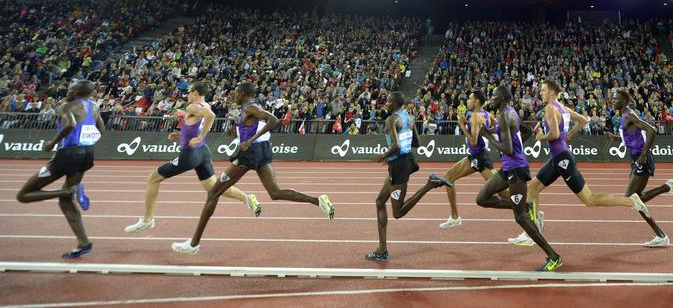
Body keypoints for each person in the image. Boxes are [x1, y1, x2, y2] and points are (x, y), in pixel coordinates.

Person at [172, 82, 334, 254]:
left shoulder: (251, 107)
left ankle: (194, 244)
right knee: (275, 192)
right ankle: (318, 201)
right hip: (263, 150)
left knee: (213, 193)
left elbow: (274, 120)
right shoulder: (250, 107)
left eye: (236, 92)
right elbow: (252, 125)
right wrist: (237, 133)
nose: (234, 95)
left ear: (242, 93)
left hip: (251, 152)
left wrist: (249, 140)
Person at [509, 80, 650, 247]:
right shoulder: (562, 108)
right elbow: (583, 120)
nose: (540, 93)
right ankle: (532, 230)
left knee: (590, 200)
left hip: (562, 159)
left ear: (552, 92)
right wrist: (568, 135)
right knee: (532, 188)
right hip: (558, 157)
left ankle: (632, 202)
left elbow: (553, 134)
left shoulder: (550, 108)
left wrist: (541, 136)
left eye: (543, 90)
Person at [125, 81, 261, 233]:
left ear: (195, 93)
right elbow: (201, 122)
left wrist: (199, 136)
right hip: (202, 151)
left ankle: (147, 220)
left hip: (189, 154)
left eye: (190, 92)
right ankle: (247, 198)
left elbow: (211, 116)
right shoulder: (206, 105)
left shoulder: (191, 107)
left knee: (153, 178)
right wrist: (183, 135)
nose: (188, 95)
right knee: (213, 187)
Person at [475, 85, 561, 271]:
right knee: (481, 198)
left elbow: (506, 149)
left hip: (516, 170)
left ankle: (553, 256)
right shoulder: (509, 112)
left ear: (503, 99)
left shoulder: (504, 115)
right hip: (508, 168)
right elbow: (527, 131)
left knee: (520, 217)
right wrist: (495, 134)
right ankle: (526, 206)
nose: (491, 99)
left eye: (494, 97)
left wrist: (486, 136)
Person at [16, 81, 102, 259]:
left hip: (66, 155)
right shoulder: (94, 106)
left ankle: (68, 190)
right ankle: (84, 243)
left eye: (70, 88)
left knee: (23, 195)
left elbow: (70, 124)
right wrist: (86, 144)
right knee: (65, 202)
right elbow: (101, 129)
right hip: (87, 154)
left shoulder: (66, 106)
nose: (67, 90)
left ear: (77, 91)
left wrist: (52, 144)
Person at [366, 92, 452, 262]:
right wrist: (395, 153)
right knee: (379, 202)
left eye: (389, 102)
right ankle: (382, 251)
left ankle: (429, 184)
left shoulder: (391, 120)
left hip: (399, 165)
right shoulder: (409, 118)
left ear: (396, 104)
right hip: (405, 161)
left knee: (397, 212)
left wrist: (382, 156)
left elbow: (396, 145)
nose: (386, 104)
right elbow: (417, 143)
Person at [606, 89, 673, 247]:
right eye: (612, 99)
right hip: (635, 159)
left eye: (617, 99)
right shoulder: (624, 116)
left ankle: (666, 188)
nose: (613, 101)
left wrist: (643, 155)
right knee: (636, 198)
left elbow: (651, 130)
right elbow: (631, 137)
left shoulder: (629, 115)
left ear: (625, 101)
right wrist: (614, 138)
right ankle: (660, 235)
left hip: (642, 159)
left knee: (631, 199)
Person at [438, 90, 505, 229]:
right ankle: (455, 217)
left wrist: (462, 125)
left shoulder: (475, 116)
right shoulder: (487, 114)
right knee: (448, 178)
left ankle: (529, 208)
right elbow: (496, 127)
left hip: (481, 157)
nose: (467, 101)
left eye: (469, 98)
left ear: (477, 102)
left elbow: (473, 141)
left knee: (503, 193)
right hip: (475, 156)